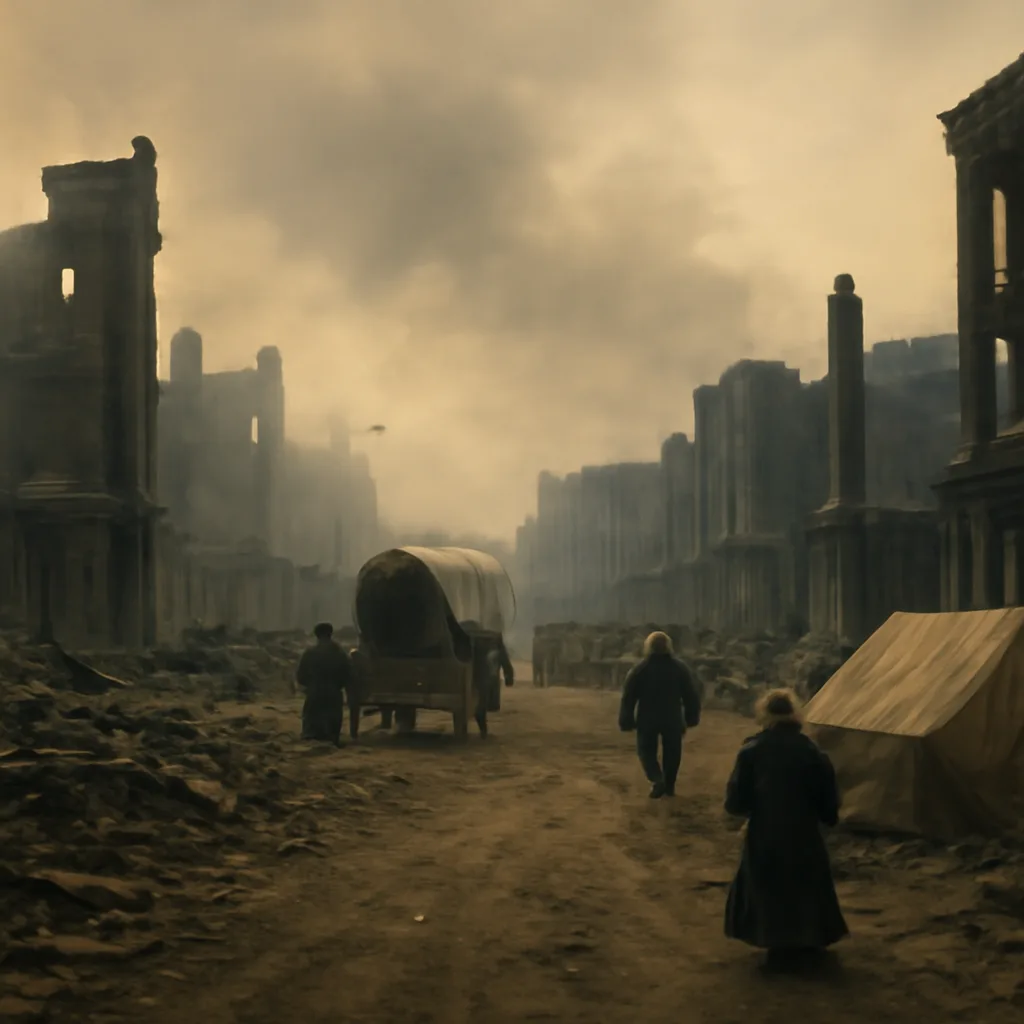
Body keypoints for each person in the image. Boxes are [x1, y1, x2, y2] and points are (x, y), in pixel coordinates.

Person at [723, 687, 849, 970]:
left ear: (764, 714)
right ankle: (808, 938)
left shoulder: (751, 751)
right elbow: (828, 797)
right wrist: (828, 818)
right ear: (795, 713)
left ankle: (775, 941)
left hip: (765, 829)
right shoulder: (812, 752)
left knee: (769, 884)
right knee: (805, 883)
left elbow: (736, 802)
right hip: (804, 830)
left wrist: (746, 812)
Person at [618, 630, 701, 798]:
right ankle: (669, 786)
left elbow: (628, 697)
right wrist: (692, 717)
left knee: (646, 751)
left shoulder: (640, 669)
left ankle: (656, 779)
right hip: (672, 717)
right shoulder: (680, 668)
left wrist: (626, 719)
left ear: (648, 647)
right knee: (673, 752)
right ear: (669, 646)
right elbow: (691, 695)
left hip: (647, 717)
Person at [295, 622, 356, 745]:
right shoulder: (340, 653)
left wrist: (310, 686)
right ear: (330, 634)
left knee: (312, 723)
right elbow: (348, 674)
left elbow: (301, 676)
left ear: (316, 636)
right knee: (332, 724)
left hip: (315, 692)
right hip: (333, 692)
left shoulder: (310, 653)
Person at [474, 634, 514, 737]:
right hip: (482, 679)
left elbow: (505, 663)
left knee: (482, 705)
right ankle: (483, 731)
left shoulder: (483, 646)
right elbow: (506, 663)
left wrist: (508, 677)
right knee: (481, 705)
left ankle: (483, 730)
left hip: (482, 679)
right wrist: (508, 678)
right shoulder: (495, 648)